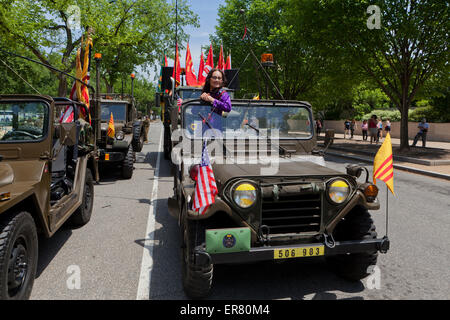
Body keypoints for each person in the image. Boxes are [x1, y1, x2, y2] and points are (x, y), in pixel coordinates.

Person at [199, 68, 232, 133]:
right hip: (203, 128)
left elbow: (228, 107)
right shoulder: (205, 92)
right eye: (214, 77)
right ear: (209, 79)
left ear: (222, 81)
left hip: (216, 130)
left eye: (219, 78)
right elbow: (193, 111)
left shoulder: (223, 94)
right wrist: (201, 99)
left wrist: (213, 100)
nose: (217, 80)